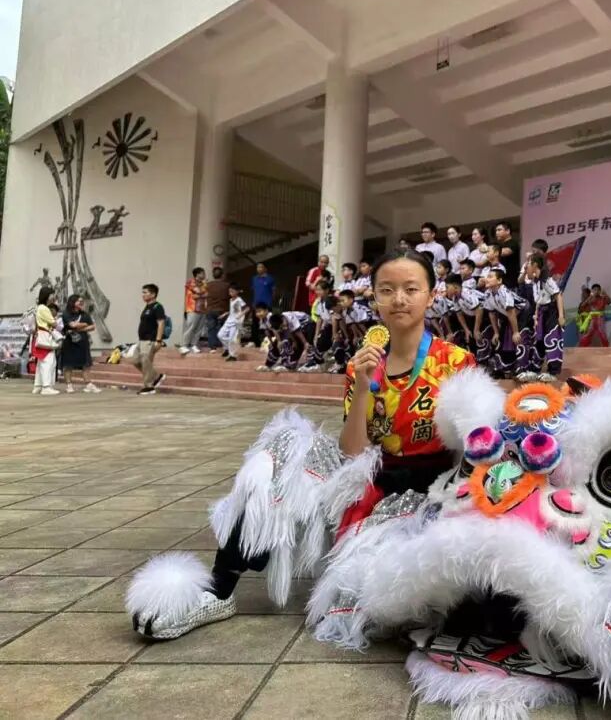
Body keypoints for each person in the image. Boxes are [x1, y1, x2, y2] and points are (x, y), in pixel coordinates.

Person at [127, 248, 476, 641]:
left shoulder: (456, 362)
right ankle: (218, 589)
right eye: (387, 289)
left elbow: (472, 448)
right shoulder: (362, 363)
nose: (399, 299)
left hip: (431, 492)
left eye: (411, 289)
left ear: (431, 295)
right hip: (370, 479)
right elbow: (353, 452)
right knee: (284, 451)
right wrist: (363, 386)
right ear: (374, 297)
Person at [522, 254, 564, 383]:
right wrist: (536, 317)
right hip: (541, 313)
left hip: (551, 312)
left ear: (535, 265)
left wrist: (561, 316)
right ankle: (534, 370)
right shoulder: (535, 281)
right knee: (539, 340)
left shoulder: (547, 280)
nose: (526, 267)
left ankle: (553, 372)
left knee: (551, 339)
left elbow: (558, 296)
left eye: (528, 264)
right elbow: (538, 301)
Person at [60, 294, 99, 393]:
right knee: (68, 364)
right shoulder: (66, 314)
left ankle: (88, 384)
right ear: (73, 302)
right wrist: (84, 324)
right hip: (69, 342)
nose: (81, 303)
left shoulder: (84, 314)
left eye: (82, 301)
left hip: (83, 343)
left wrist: (80, 328)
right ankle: (69, 385)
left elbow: (92, 326)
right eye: (79, 301)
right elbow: (72, 325)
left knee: (86, 364)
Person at [134, 284, 167, 395]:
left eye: (145, 292)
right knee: (135, 360)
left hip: (150, 340)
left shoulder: (157, 307)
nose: (143, 295)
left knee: (145, 361)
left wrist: (158, 340)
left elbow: (161, 323)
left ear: (153, 294)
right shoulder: (147, 307)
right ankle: (156, 376)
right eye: (142, 292)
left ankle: (149, 387)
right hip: (141, 340)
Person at [30, 286, 61, 395]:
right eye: (52, 295)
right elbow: (54, 323)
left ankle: (38, 386)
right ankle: (46, 387)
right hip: (45, 337)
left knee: (41, 362)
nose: (53, 297)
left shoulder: (39, 307)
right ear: (47, 296)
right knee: (49, 361)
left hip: (40, 336)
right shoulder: (44, 308)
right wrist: (55, 320)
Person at [178, 267, 208, 355]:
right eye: (202, 273)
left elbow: (207, 294)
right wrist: (202, 292)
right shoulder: (191, 282)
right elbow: (198, 291)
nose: (204, 275)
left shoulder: (203, 283)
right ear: (197, 274)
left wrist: (200, 295)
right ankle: (184, 345)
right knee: (190, 327)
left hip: (202, 308)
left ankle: (194, 344)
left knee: (199, 328)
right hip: (192, 308)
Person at [217, 283, 248, 362]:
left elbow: (247, 308)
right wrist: (224, 314)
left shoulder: (239, 300)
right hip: (229, 320)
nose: (230, 293)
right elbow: (232, 310)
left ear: (237, 291)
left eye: (232, 291)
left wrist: (240, 315)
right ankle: (228, 348)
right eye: (229, 291)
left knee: (232, 339)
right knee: (220, 335)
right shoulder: (231, 300)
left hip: (235, 322)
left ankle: (232, 355)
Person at [250, 263, 276, 348]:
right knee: (255, 324)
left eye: (261, 267)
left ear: (265, 269)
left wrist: (270, 302)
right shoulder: (254, 279)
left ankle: (270, 341)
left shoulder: (270, 279)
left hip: (266, 305)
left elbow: (273, 292)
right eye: (257, 267)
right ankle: (255, 342)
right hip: (256, 305)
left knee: (268, 324)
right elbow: (254, 291)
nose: (259, 269)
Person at [205, 267, 230, 352]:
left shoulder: (208, 285)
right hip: (222, 310)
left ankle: (212, 347)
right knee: (223, 328)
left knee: (211, 329)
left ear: (213, 275)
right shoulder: (226, 285)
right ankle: (221, 345)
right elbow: (229, 296)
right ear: (222, 275)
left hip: (210, 309)